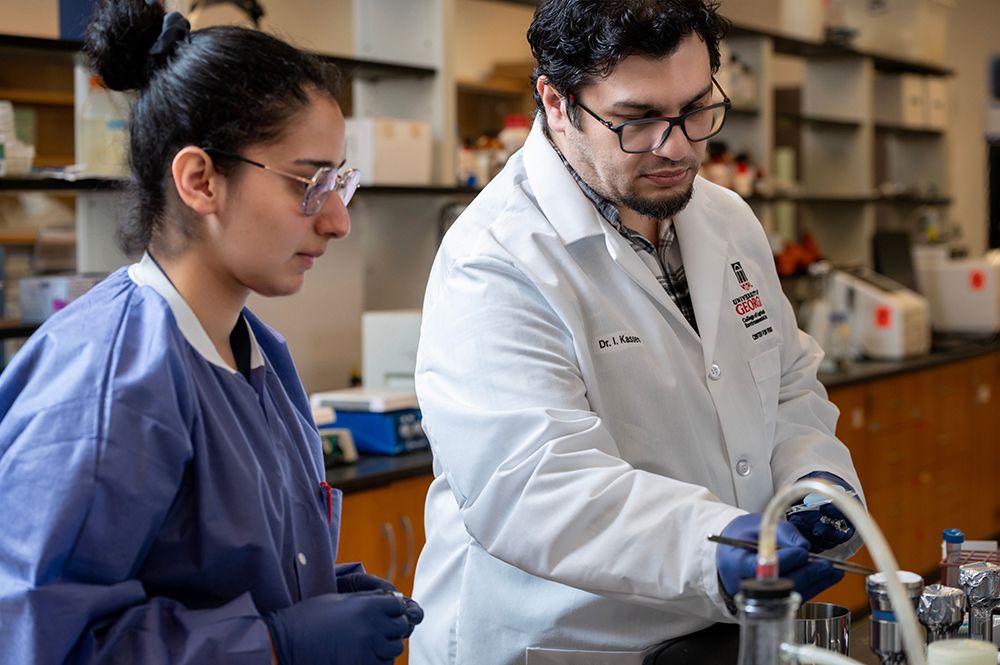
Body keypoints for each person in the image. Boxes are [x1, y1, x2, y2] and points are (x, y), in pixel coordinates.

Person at [410, 1, 864, 663]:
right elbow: (536, 485)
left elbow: (787, 385)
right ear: (557, 102)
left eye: (696, 108)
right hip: (570, 641)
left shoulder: (728, 220)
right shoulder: (495, 257)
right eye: (637, 119)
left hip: (718, 636)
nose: (677, 145)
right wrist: (718, 546)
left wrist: (816, 482)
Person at [0, 1, 421, 663]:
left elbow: (206, 572)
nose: (337, 219)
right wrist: (277, 643)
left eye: (341, 181)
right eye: (310, 181)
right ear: (199, 180)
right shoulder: (114, 382)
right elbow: (43, 641)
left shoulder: (256, 353)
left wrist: (311, 591)